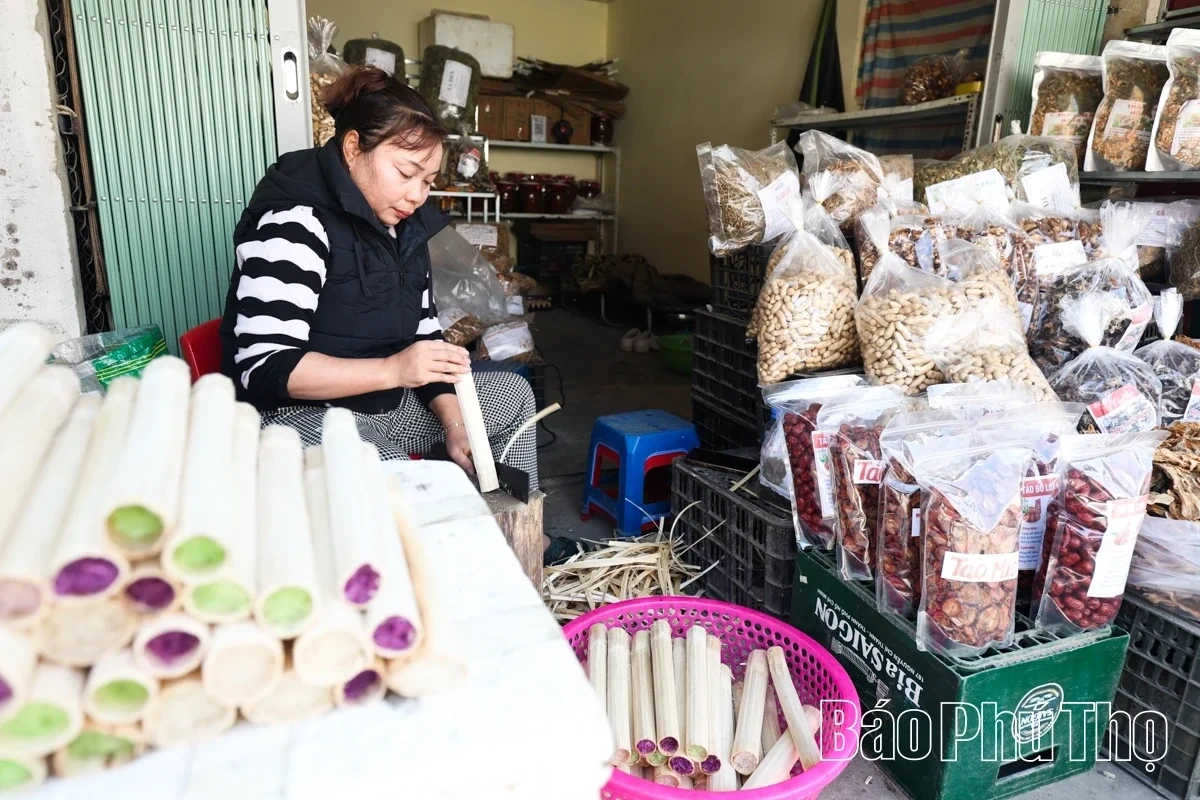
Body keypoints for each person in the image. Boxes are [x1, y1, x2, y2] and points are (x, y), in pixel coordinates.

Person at [219, 66, 577, 564]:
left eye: (428, 180)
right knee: (382, 476)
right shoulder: (295, 224)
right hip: (298, 415)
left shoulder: (402, 228)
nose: (417, 195)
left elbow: (426, 339)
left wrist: (454, 423)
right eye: (406, 173)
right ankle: (440, 568)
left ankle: (515, 538)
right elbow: (264, 366)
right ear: (352, 150)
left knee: (512, 394)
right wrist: (394, 369)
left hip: (387, 403)